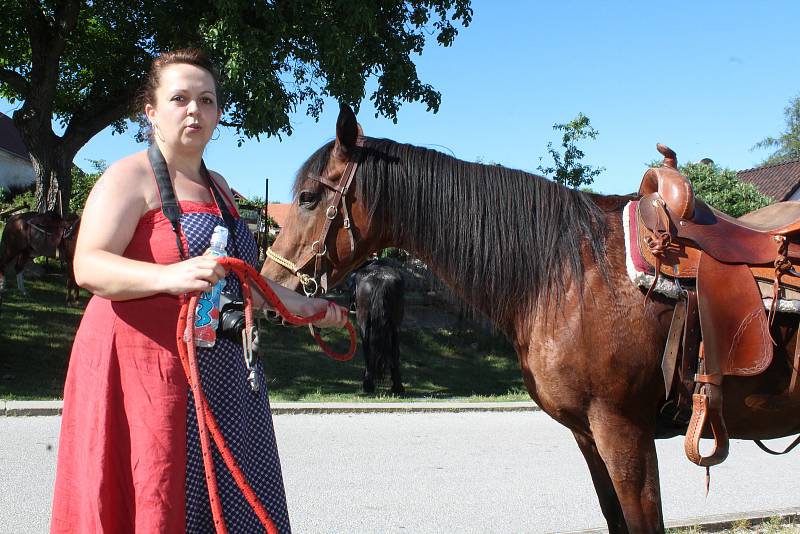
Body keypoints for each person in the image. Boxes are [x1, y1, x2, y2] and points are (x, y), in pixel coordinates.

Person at [50, 48, 346, 534]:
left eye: (206, 100)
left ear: (218, 113)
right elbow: (89, 265)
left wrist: (308, 307)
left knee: (234, 500)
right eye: (180, 98)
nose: (194, 110)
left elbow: (245, 277)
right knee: (156, 493)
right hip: (142, 367)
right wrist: (169, 276)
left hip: (222, 372)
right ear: (152, 112)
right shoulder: (129, 178)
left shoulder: (222, 188)